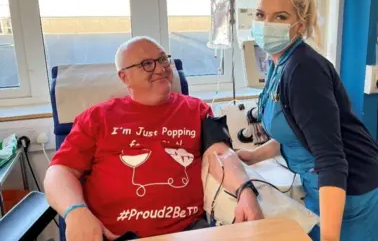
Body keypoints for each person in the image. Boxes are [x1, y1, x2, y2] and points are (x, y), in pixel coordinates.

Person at [237, 0, 378, 241]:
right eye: (260, 14)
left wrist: (330, 238)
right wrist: (256, 156)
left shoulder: (304, 70)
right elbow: (297, 131)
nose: (266, 24)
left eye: (280, 17)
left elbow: (331, 158)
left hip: (355, 193)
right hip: (328, 191)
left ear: (299, 26)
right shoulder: (279, 63)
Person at [44, 36, 264, 241]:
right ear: (124, 76)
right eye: (147, 64)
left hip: (188, 232)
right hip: (113, 235)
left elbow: (220, 153)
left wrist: (245, 190)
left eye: (162, 59)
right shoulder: (97, 117)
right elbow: (59, 171)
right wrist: (75, 211)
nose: (160, 69)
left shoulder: (197, 110)